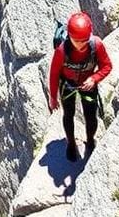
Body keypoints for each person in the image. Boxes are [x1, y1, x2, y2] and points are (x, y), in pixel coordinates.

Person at [48, 11, 112, 161]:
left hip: (88, 84)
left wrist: (94, 78)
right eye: (76, 41)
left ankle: (90, 140)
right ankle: (71, 144)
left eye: (84, 40)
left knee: (91, 117)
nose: (80, 45)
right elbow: (54, 75)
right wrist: (53, 97)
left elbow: (107, 66)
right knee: (68, 115)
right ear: (69, 36)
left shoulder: (96, 45)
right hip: (68, 85)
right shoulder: (61, 51)